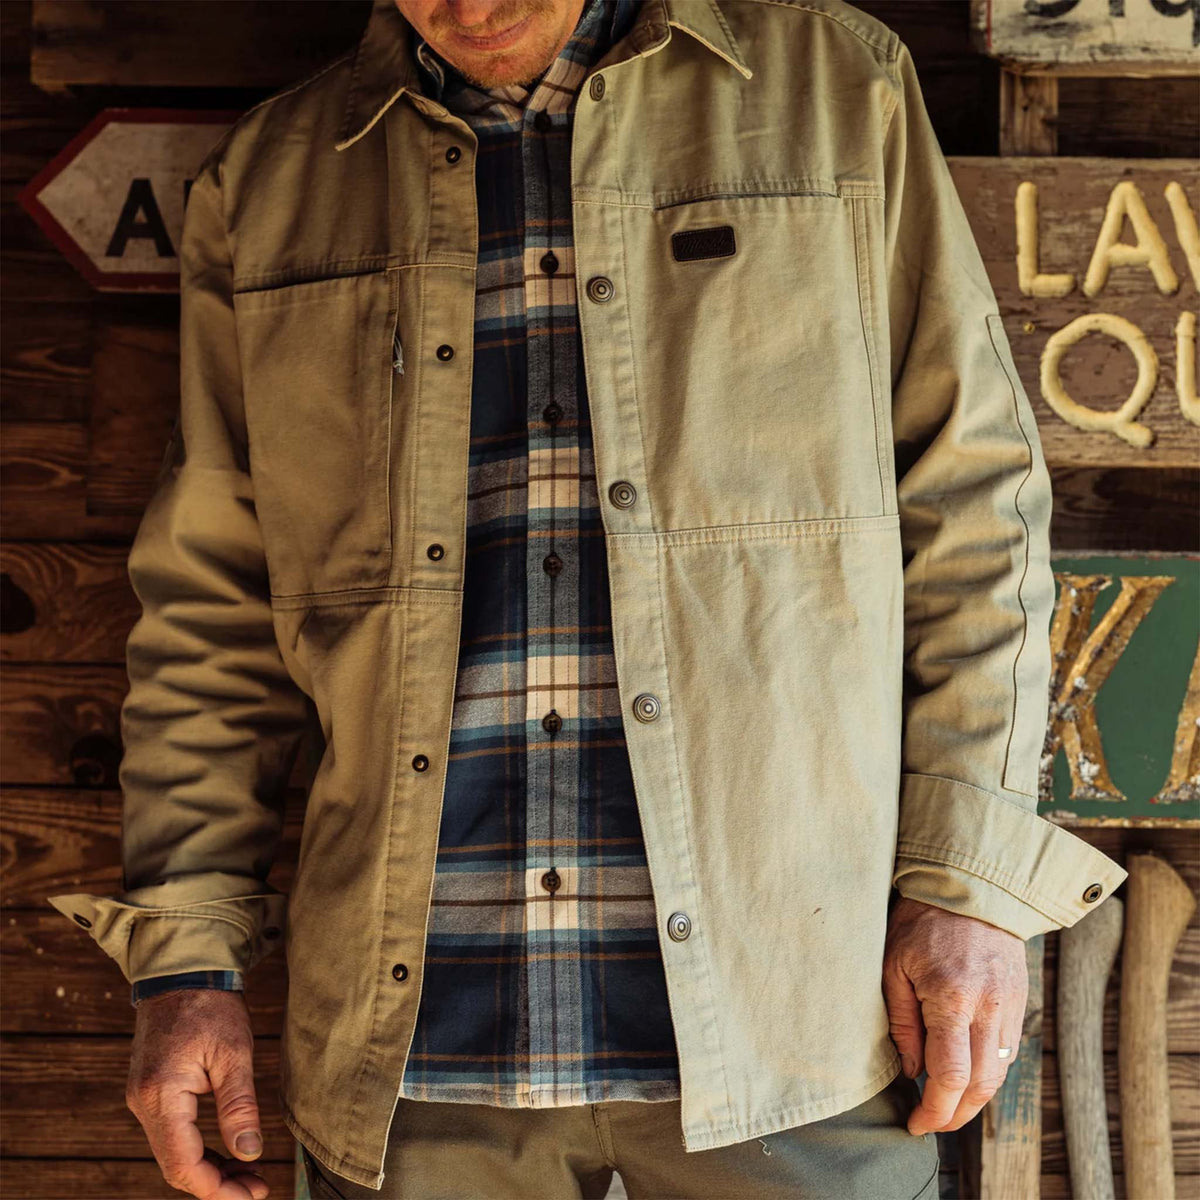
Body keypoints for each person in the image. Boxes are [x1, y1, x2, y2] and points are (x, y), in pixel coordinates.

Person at [49, 1, 1129, 1197]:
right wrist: (184, 963)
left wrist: (964, 889)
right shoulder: (272, 181)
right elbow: (215, 611)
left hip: (796, 1019)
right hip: (415, 1057)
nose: (467, 8)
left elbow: (972, 506)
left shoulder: (832, 89)